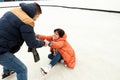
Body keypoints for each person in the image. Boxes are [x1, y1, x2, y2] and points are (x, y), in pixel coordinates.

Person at [0, 2, 47, 80]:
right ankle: (7, 72)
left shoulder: (14, 11)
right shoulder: (27, 21)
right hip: (1, 50)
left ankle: (6, 72)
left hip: (4, 43)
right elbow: (32, 43)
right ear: (34, 13)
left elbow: (13, 27)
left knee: (9, 53)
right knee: (22, 70)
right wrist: (43, 43)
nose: (36, 19)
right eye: (37, 16)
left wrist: (30, 34)